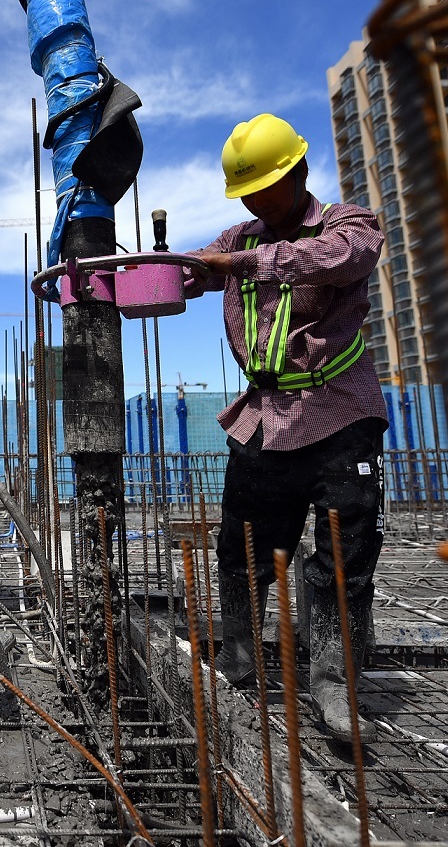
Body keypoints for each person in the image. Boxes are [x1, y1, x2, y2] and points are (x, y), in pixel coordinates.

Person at [184, 112, 388, 742]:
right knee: (243, 550)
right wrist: (152, 278)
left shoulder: (346, 225)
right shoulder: (234, 237)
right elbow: (193, 278)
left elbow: (339, 260)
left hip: (340, 418)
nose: (252, 202)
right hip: (265, 420)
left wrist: (239, 262)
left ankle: (334, 684)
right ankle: (241, 658)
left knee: (342, 559)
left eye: (262, 188)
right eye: (244, 193)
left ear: (297, 173)